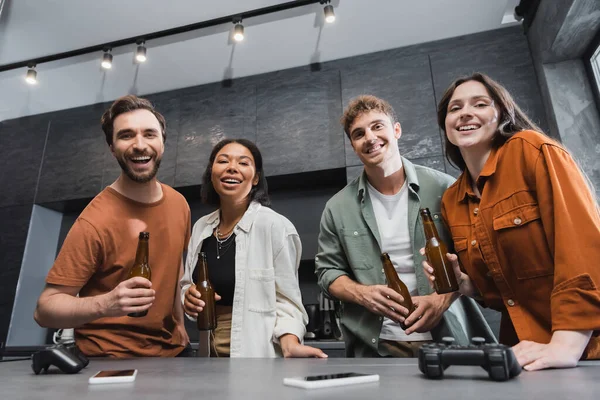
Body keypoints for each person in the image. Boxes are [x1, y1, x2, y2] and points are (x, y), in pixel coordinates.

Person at [425, 72, 600, 371]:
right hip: (522, 353)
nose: (465, 112)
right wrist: (466, 284)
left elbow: (582, 251)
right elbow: (501, 294)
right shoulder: (453, 200)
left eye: (479, 104)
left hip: (584, 350)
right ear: (445, 125)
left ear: (502, 113)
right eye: (455, 108)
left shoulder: (531, 150)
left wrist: (567, 342)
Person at [315, 95, 495, 358]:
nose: (370, 137)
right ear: (353, 146)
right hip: (375, 346)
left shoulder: (446, 188)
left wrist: (441, 299)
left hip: (449, 339)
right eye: (359, 133)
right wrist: (361, 293)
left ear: (396, 130)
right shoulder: (337, 207)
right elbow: (326, 272)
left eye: (378, 126)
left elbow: (478, 260)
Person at [34, 95, 191, 357]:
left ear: (162, 141)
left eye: (149, 134)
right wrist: (107, 303)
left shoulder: (179, 204)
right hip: (109, 358)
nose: (140, 145)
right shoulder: (94, 221)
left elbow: (175, 268)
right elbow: (45, 309)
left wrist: (180, 324)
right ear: (112, 147)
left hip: (170, 355)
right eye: (126, 135)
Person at [180, 138, 327, 358]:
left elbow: (287, 301)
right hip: (208, 355)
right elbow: (186, 286)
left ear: (256, 177)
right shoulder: (201, 227)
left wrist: (290, 344)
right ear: (212, 172)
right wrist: (188, 298)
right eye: (223, 161)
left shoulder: (276, 227)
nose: (232, 167)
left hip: (256, 356)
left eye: (243, 163)